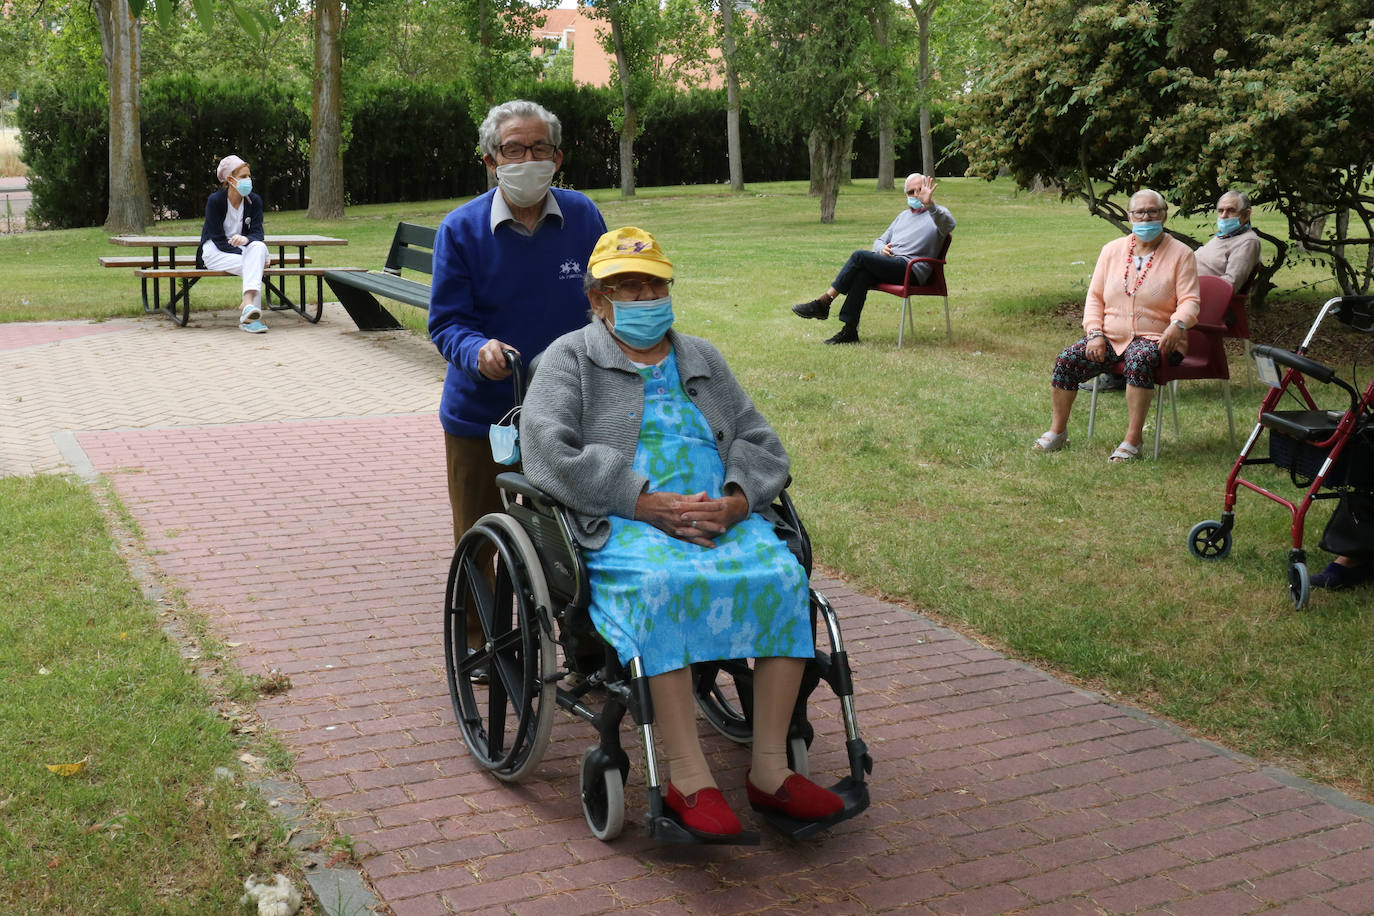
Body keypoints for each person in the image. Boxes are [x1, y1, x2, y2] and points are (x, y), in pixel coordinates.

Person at [520, 226, 845, 839]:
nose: (642, 296)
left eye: (652, 285)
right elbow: (546, 453)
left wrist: (736, 499)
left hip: (714, 512)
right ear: (596, 299)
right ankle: (689, 779)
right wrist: (641, 501)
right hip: (623, 516)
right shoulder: (570, 358)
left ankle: (771, 771)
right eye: (624, 286)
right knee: (663, 583)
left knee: (781, 577)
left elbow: (759, 440)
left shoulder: (700, 356)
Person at [428, 99, 607, 552]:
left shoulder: (583, 217)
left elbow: (607, 298)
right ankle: (475, 625)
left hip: (570, 410)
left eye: (540, 148)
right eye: (514, 150)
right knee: (479, 542)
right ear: (491, 161)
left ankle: (558, 624)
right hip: (484, 416)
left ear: (557, 158)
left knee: (567, 542)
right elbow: (447, 322)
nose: (528, 160)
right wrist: (477, 350)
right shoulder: (460, 229)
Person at [1033, 189, 1200, 461]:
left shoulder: (1181, 254)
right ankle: (1058, 431)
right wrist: (1095, 334)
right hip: (1110, 336)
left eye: (1153, 212)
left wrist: (1177, 325)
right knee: (1067, 360)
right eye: (1139, 213)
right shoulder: (1112, 250)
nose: (1146, 217)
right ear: (1130, 216)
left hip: (1157, 337)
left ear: (1164, 215)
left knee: (1140, 359)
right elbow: (1095, 298)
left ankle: (1133, 440)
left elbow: (1191, 300)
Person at [791, 173, 954, 345]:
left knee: (859, 256)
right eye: (911, 192)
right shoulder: (903, 217)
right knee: (862, 275)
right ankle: (850, 331)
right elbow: (879, 240)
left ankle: (824, 302)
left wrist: (931, 205)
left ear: (927, 190)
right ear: (906, 195)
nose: (915, 195)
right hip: (892, 265)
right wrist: (880, 249)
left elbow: (949, 225)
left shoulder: (937, 214)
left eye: (919, 190)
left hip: (912, 269)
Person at [198, 154, 269, 333]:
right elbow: (219, 241)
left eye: (249, 176)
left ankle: (247, 305)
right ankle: (251, 320)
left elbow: (258, 234)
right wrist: (250, 255)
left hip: (241, 249)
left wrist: (247, 241)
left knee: (258, 249)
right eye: (243, 177)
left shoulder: (254, 201)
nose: (248, 180)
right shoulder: (215, 201)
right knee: (255, 264)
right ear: (230, 179)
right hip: (214, 252)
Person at [1194, 190, 1262, 291]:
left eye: (1231, 210)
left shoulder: (1248, 241)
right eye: (1221, 211)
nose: (1224, 216)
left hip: (1196, 294)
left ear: (1246, 215)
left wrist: (1187, 287)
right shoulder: (1224, 235)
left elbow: (1231, 283)